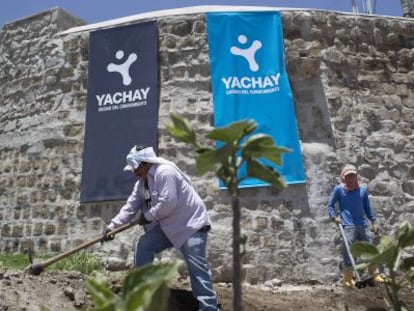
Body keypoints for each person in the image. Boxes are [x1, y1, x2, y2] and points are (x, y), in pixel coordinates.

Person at [102, 145, 219, 310]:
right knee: (144, 246)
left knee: (196, 268)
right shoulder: (142, 183)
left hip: (190, 224)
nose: (135, 173)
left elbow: (168, 203)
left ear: (145, 163)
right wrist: (112, 227)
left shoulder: (165, 172)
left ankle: (209, 307)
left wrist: (147, 216)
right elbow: (130, 207)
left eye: (136, 169)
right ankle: (144, 297)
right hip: (167, 225)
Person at [328, 164, 384, 287]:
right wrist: (334, 217)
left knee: (370, 249)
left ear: (356, 176)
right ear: (343, 177)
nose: (351, 178)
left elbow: (367, 207)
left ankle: (375, 275)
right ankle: (348, 278)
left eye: (353, 175)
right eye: (348, 176)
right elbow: (330, 205)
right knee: (349, 252)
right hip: (348, 226)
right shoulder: (339, 189)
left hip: (362, 225)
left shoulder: (362, 189)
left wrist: (373, 221)